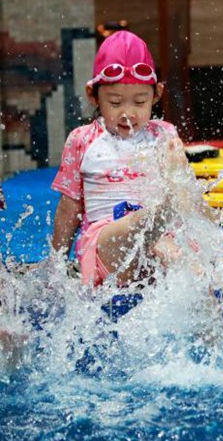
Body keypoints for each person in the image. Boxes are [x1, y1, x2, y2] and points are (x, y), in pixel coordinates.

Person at [50, 30, 204, 287]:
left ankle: (210, 324)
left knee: (185, 260)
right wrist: (56, 266)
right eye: (115, 102)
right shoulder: (82, 140)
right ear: (93, 96)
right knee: (135, 224)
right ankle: (159, 215)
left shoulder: (164, 134)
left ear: (156, 94)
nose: (127, 114)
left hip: (162, 243)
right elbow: (69, 207)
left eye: (140, 102)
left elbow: (189, 199)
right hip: (106, 245)